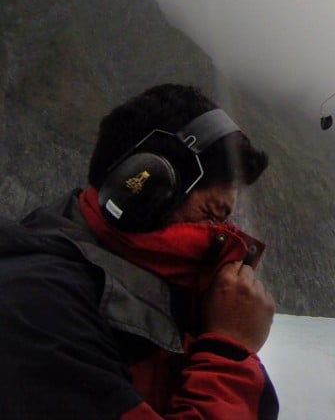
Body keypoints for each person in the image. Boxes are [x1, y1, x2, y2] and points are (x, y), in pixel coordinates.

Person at [0, 84, 279, 418]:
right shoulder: (38, 312)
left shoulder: (133, 283)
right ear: (144, 188)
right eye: (211, 214)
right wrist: (227, 353)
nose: (221, 234)